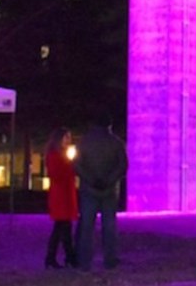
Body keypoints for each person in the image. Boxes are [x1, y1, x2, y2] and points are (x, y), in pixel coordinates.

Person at [73, 113, 127, 272]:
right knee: (109, 226)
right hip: (109, 190)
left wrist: (90, 179)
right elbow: (122, 166)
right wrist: (109, 180)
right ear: (109, 125)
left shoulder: (84, 142)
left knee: (86, 227)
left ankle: (84, 262)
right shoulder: (116, 142)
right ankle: (110, 260)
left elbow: (77, 164)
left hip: (89, 189)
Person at [44, 127, 78, 269]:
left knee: (61, 228)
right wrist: (71, 165)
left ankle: (55, 258)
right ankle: (68, 257)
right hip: (61, 196)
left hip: (64, 195)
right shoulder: (54, 155)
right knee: (63, 229)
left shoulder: (60, 154)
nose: (68, 141)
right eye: (66, 137)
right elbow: (58, 174)